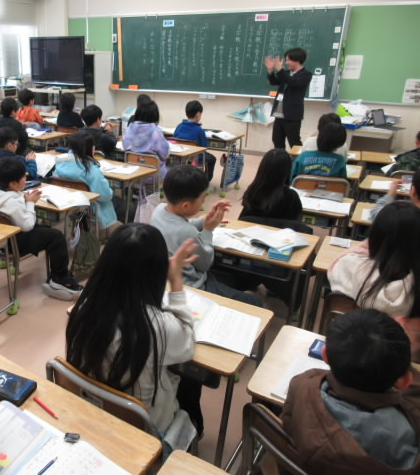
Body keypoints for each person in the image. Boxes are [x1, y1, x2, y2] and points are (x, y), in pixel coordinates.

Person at [66, 224, 203, 442]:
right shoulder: (160, 326)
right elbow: (187, 341)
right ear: (157, 273)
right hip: (143, 431)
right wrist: (176, 280)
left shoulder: (83, 308)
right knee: (192, 379)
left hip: (92, 412)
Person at [282, 309, 420, 474]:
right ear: (404, 381)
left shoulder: (303, 383)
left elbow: (287, 423)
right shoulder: (403, 433)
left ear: (325, 355)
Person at [151, 164, 262, 307]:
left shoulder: (159, 210)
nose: (204, 202)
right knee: (255, 302)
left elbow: (184, 224)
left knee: (229, 278)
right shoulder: (186, 232)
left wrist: (205, 221)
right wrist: (208, 230)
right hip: (192, 287)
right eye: (203, 199)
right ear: (185, 206)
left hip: (166, 280)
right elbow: (205, 264)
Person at [328, 202, 420, 360]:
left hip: (348, 348)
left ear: (375, 235)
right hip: (401, 360)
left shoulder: (349, 265)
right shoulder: (415, 287)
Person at [0, 157, 84, 301]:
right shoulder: (12, 203)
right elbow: (28, 225)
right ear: (13, 184)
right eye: (23, 177)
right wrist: (31, 203)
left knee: (48, 231)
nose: (26, 178)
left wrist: (23, 198)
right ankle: (60, 279)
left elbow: (14, 205)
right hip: (14, 242)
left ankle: (57, 275)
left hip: (1, 238)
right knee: (56, 237)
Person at [53, 131, 124, 228]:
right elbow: (106, 196)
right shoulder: (92, 171)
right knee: (120, 202)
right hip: (91, 213)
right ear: (90, 148)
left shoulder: (59, 164)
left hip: (67, 207)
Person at [264, 48, 312, 149]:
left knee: (294, 141)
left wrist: (280, 70)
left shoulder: (306, 75)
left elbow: (293, 83)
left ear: (297, 60)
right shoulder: (286, 72)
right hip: (279, 111)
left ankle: (298, 159)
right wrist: (270, 70)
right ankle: (281, 158)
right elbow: (274, 82)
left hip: (292, 114)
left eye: (288, 60)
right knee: (277, 139)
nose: (286, 63)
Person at [241, 148, 302, 220]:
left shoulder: (252, 191)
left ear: (262, 168)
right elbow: (296, 219)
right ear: (287, 171)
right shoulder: (291, 196)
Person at [123, 100, 170, 180]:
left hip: (134, 175)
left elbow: (125, 148)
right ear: (155, 116)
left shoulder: (129, 129)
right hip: (154, 177)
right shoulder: (156, 132)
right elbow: (165, 155)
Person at [173, 100, 217, 183]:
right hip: (195, 158)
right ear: (198, 114)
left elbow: (174, 139)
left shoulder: (179, 126)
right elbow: (204, 148)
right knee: (212, 159)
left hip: (180, 156)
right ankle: (206, 182)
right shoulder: (199, 130)